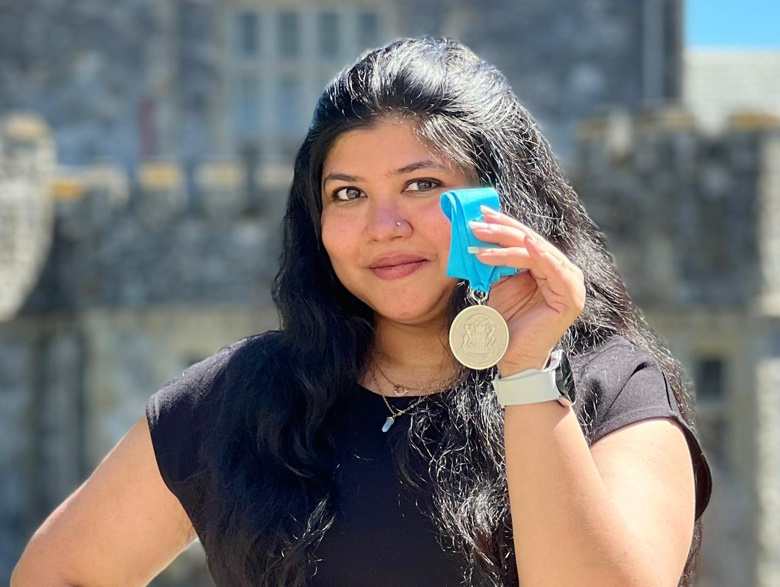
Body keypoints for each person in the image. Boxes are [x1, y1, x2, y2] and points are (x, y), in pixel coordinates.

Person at [12, 37, 712, 587]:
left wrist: (527, 375)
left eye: (421, 184)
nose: (384, 226)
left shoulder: (612, 390)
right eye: (347, 193)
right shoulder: (238, 396)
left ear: (498, 203)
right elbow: (58, 572)